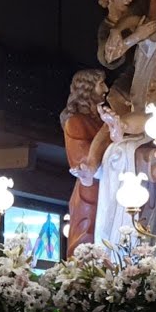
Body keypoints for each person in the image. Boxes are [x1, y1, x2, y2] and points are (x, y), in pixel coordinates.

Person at [60, 68, 109, 257]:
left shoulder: (101, 120)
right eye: (100, 84)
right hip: (91, 187)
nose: (105, 88)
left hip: (110, 187)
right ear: (88, 88)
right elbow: (82, 160)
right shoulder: (76, 122)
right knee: (87, 237)